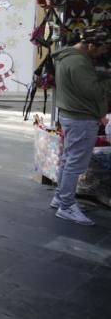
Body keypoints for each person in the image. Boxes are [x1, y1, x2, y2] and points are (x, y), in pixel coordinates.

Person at [50, 27, 111, 225]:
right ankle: (66, 206)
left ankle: (61, 198)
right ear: (90, 45)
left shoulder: (68, 57)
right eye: (101, 49)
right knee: (75, 163)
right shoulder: (78, 62)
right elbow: (93, 91)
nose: (103, 53)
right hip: (81, 118)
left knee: (69, 160)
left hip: (72, 115)